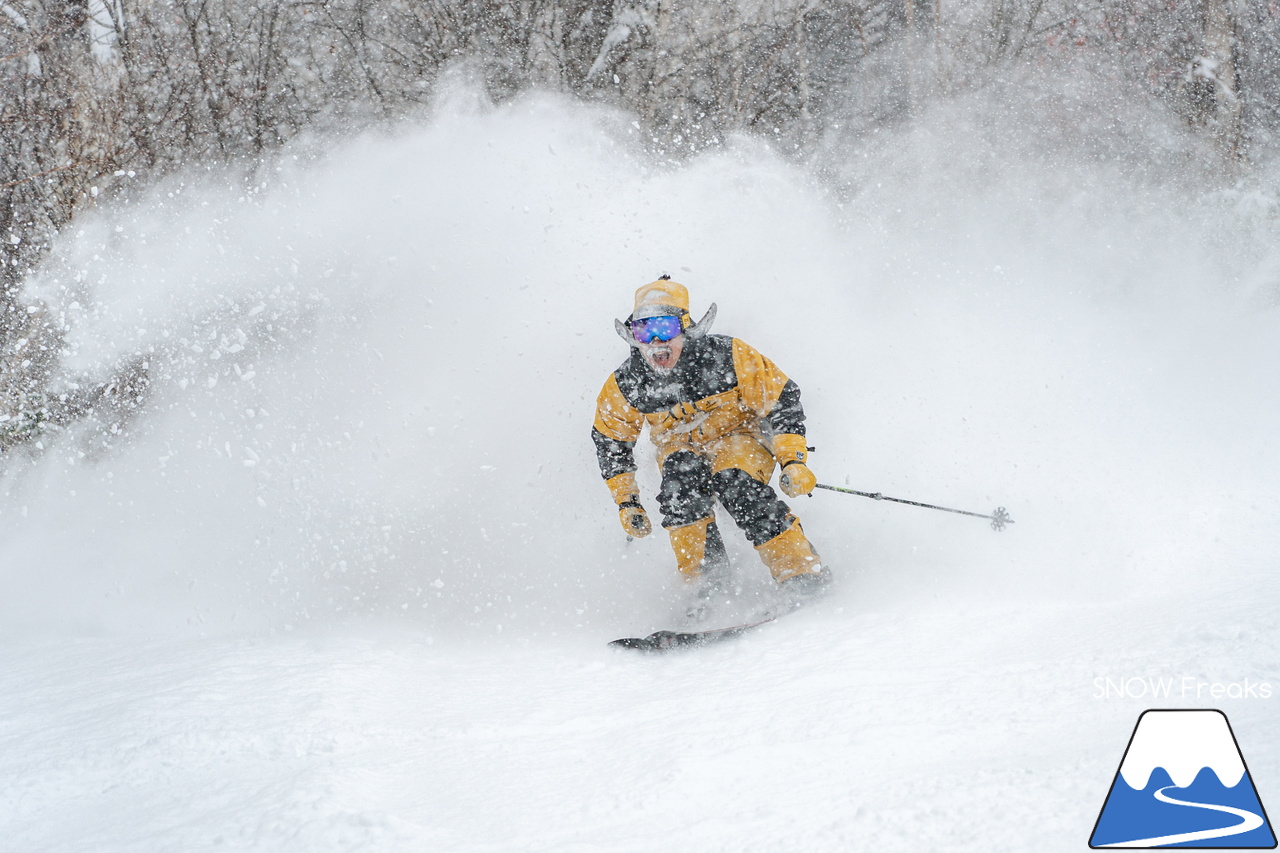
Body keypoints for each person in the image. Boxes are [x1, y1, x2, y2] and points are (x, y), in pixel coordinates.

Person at [591, 276, 831, 615]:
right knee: (679, 487)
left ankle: (801, 573)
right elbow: (611, 441)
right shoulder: (628, 383)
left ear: (686, 328)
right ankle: (708, 588)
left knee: (735, 483)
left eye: (665, 327)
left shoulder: (727, 356)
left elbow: (781, 399)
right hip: (681, 451)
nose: (657, 342)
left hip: (742, 439)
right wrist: (627, 502)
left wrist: (793, 461)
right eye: (645, 332)